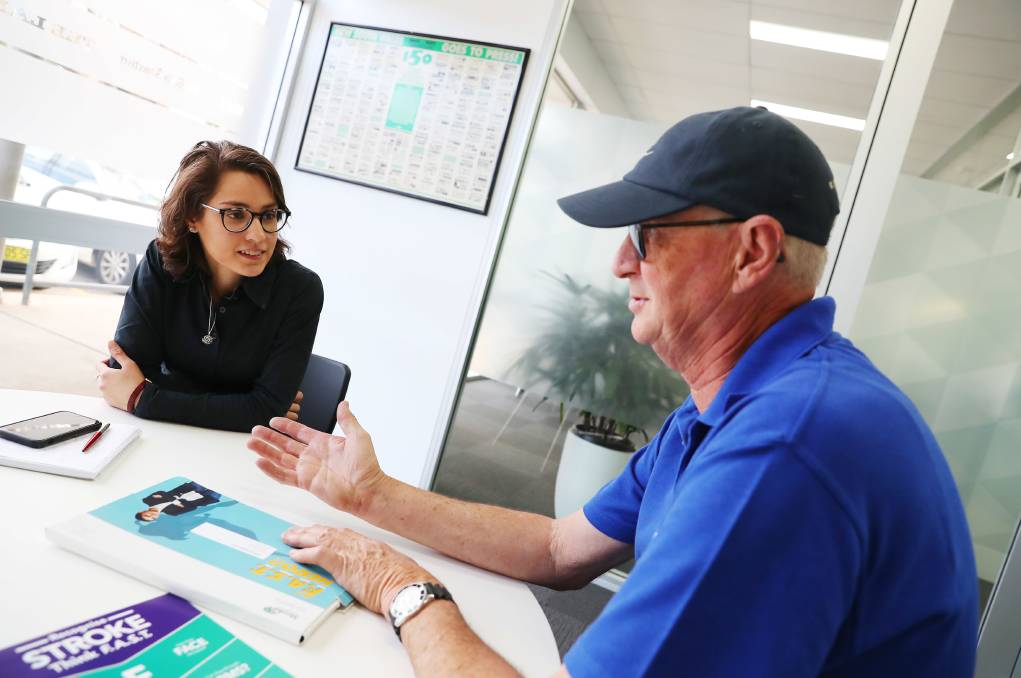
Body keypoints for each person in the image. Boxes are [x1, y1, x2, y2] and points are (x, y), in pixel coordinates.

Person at [246, 107, 978, 677]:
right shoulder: (741, 401)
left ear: (751, 251)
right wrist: (371, 496)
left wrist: (401, 589)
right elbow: (563, 548)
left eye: (648, 232)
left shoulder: (789, 443)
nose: (619, 261)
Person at [96, 141, 324, 432]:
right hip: (164, 437)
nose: (258, 235)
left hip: (244, 454)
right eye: (236, 214)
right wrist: (243, 405)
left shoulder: (300, 289)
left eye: (268, 215)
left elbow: (267, 410)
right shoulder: (161, 262)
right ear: (193, 217)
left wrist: (145, 396)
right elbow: (123, 374)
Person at [135, 480, 222, 522]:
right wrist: (172, 499)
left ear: (142, 511)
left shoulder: (148, 500)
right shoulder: (173, 513)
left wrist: (177, 502)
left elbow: (161, 493)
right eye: (153, 518)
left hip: (190, 488)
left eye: (147, 515)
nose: (153, 515)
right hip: (207, 498)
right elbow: (192, 507)